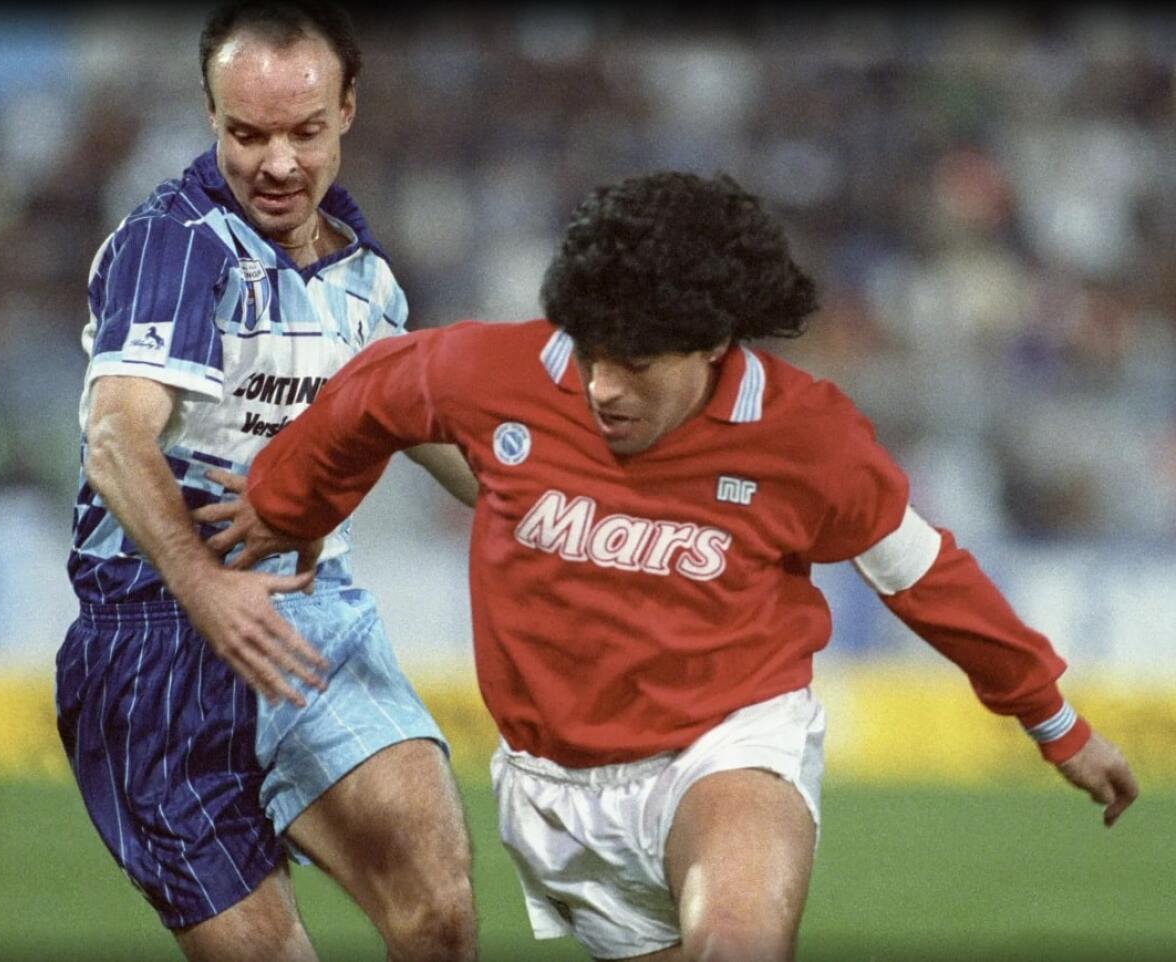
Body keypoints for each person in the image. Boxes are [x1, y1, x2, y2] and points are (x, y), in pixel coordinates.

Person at [204, 171, 1139, 962]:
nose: (603, 388)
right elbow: (371, 394)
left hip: (728, 745)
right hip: (555, 794)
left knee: (734, 942)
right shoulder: (500, 373)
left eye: (638, 365)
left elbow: (923, 574)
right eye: (591, 357)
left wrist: (1054, 720)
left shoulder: (805, 436)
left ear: (713, 344)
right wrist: (286, 504)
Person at [54, 2, 479, 960]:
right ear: (210, 115)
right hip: (153, 645)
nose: (277, 163)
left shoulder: (369, 280)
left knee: (440, 916)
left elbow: (445, 445)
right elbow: (115, 436)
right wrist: (205, 589)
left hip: (310, 617)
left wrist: (575, 505)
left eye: (304, 132)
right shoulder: (176, 244)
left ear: (348, 110)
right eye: (247, 134)